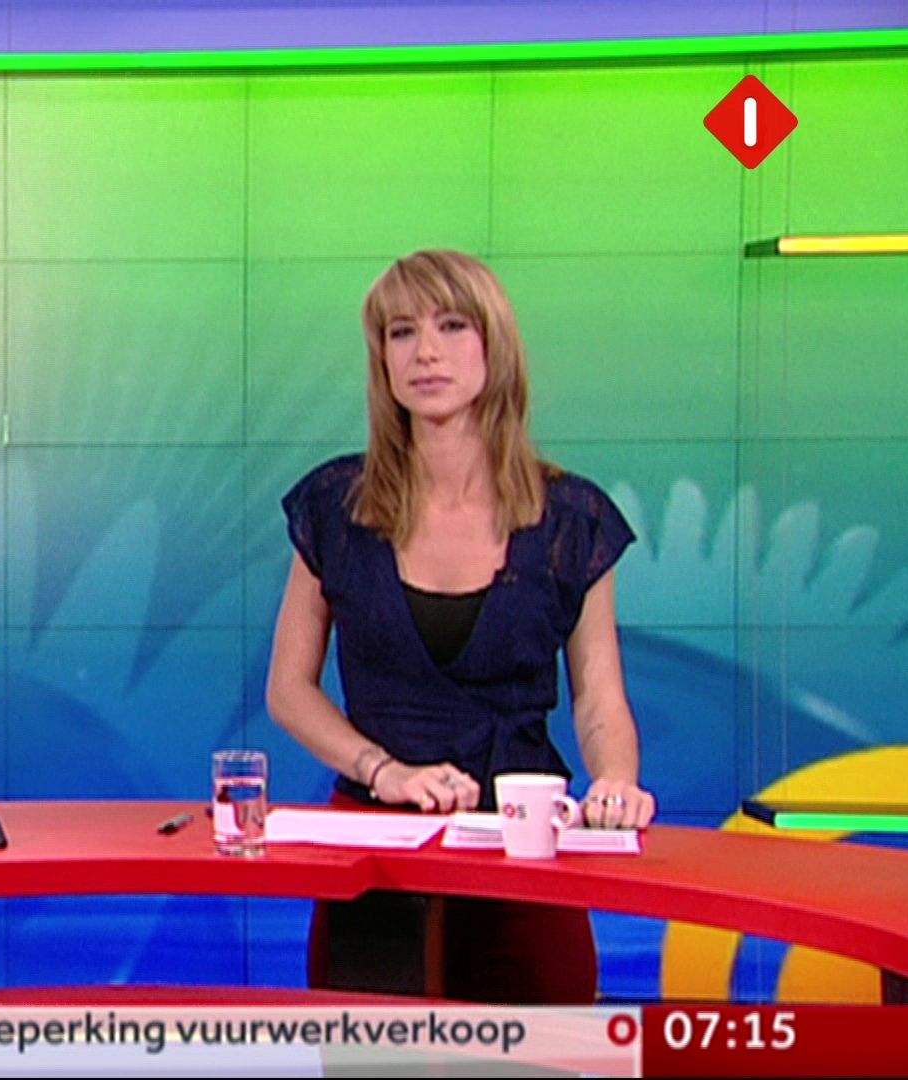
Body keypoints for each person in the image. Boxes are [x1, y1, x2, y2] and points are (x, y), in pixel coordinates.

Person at [265, 249, 655, 1004]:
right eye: (402, 332)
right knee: (376, 1054)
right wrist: (384, 770)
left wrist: (616, 782)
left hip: (523, 844)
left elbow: (599, 698)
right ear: (382, 359)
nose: (426, 352)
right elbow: (289, 689)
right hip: (377, 852)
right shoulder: (336, 509)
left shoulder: (570, 519)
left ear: (493, 346)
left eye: (451, 326)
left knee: (536, 1048)